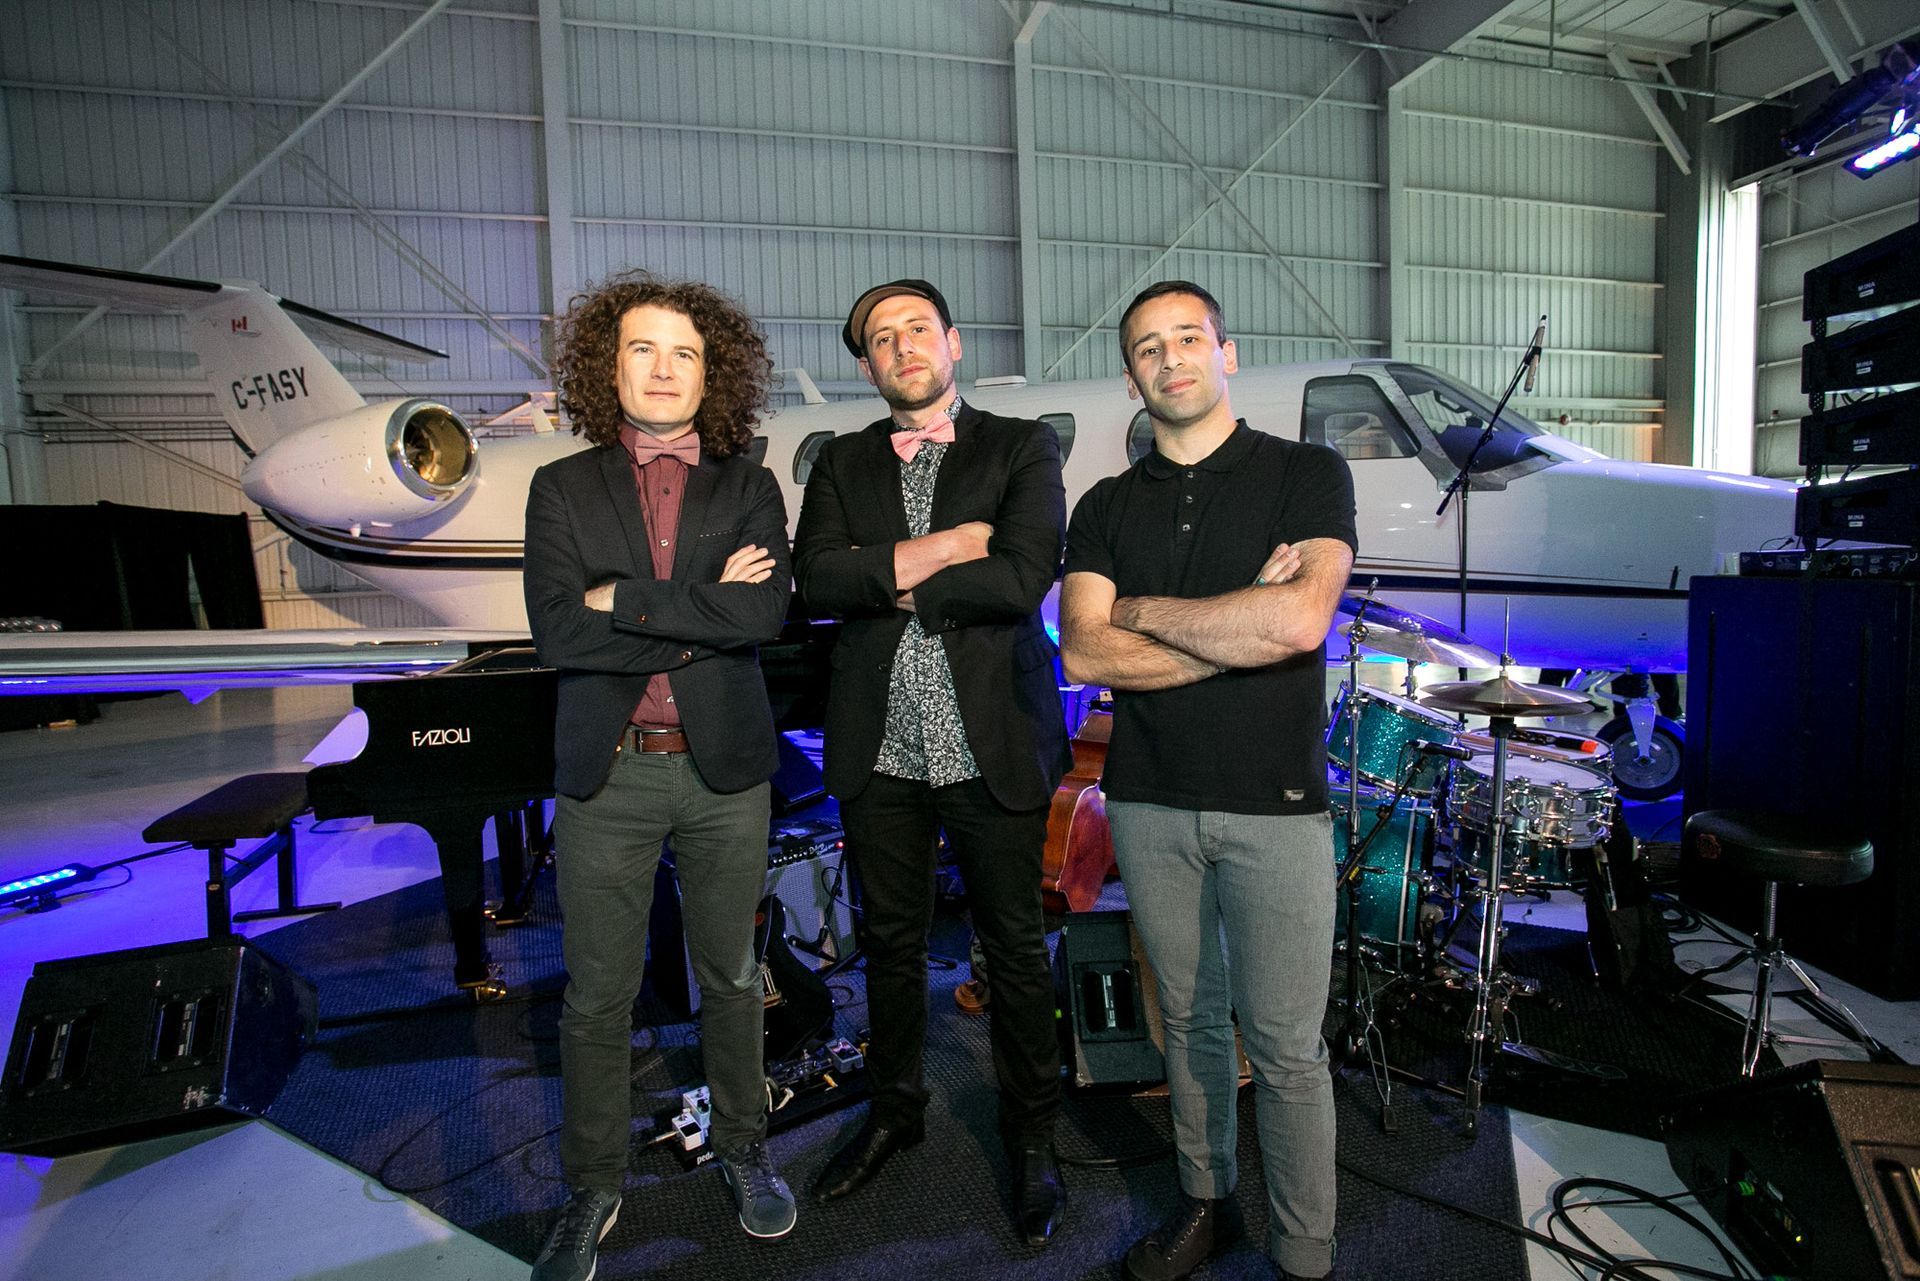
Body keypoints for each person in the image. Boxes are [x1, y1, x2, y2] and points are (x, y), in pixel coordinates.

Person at [1059, 280, 1356, 1281]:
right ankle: (1207, 1204)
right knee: (1183, 1023)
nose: (1170, 358)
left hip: (1275, 805)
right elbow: (1087, 656)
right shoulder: (1102, 507)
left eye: (1189, 338)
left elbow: (1298, 623)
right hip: (1147, 799)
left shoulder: (1307, 475)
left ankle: (1307, 1252)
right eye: (1148, 346)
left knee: (1284, 1045)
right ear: (1132, 373)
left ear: (1228, 354)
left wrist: (1147, 612)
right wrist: (1235, 623)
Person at [523, 271, 796, 1281]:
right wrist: (698, 609)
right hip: (612, 775)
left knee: (731, 979)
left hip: (725, 774)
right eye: (644, 348)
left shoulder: (750, 483)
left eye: (685, 351)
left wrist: (622, 605)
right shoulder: (563, 488)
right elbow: (558, 631)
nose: (666, 368)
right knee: (598, 998)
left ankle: (744, 1148)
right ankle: (593, 1185)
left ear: (711, 371)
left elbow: (764, 619)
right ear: (610, 365)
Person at [793, 279, 1071, 1246]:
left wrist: (894, 579)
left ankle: (1033, 1136)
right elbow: (818, 577)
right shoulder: (839, 460)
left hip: (990, 737)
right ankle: (893, 1112)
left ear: (953, 343)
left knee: (1016, 950)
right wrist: (950, 546)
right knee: (892, 945)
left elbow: (1028, 572)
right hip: (880, 747)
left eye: (917, 329)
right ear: (866, 365)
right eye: (880, 337)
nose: (902, 346)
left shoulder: (1020, 444)